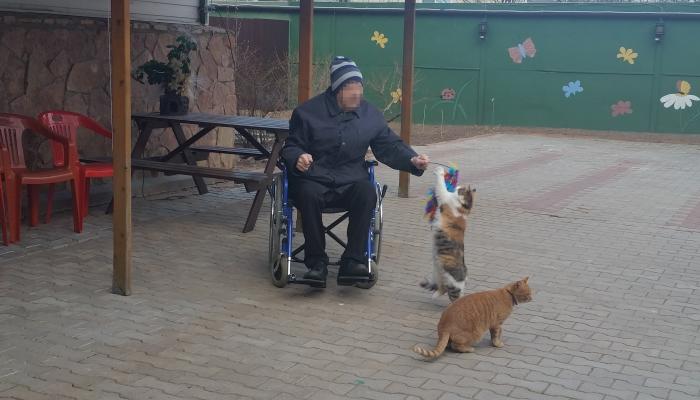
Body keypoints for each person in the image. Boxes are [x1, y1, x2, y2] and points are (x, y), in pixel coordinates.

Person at [281, 56, 429, 288]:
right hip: (315, 178)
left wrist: (412, 159)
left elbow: (389, 145)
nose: (357, 94)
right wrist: (298, 157)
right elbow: (291, 146)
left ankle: (353, 260)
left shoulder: (370, 114)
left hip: (351, 180)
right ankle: (316, 263)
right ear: (338, 89)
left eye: (360, 88)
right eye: (351, 89)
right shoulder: (307, 113)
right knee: (307, 195)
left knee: (368, 192)